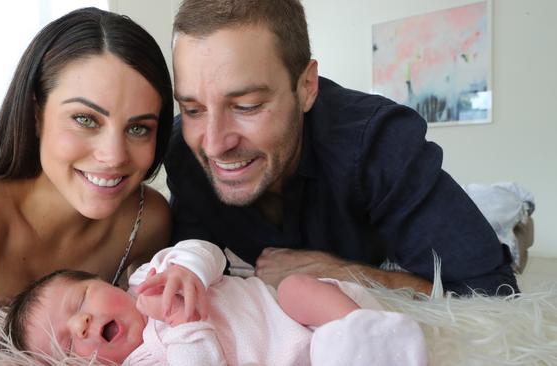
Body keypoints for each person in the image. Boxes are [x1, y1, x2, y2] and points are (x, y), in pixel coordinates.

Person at [165, 0, 519, 296]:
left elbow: (492, 291)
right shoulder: (184, 152)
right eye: (193, 109)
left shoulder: (378, 143)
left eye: (247, 106)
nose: (213, 144)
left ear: (306, 87)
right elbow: (193, 257)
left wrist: (347, 275)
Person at [0, 7, 175, 327]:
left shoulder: (147, 223)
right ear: (36, 113)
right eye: (85, 119)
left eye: (138, 128)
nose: (114, 156)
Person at [5, 239, 428, 365]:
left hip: (305, 313)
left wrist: (187, 270)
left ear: (105, 283)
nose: (80, 325)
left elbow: (208, 250)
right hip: (304, 358)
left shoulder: (151, 278)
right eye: (67, 345)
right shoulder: (144, 363)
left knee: (296, 287)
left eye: (79, 301)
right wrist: (186, 328)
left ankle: (370, 337)